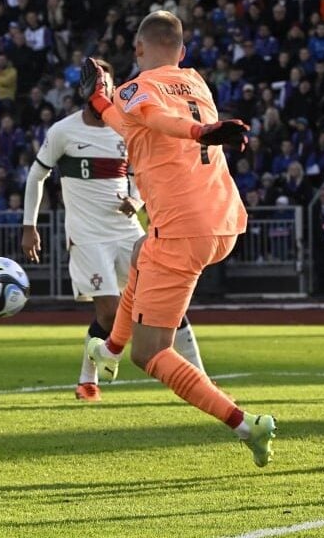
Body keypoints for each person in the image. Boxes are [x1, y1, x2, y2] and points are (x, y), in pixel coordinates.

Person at [80, 10, 276, 467]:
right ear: (182, 52)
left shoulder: (137, 90)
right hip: (223, 217)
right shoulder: (196, 82)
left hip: (183, 228)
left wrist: (198, 131)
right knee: (139, 250)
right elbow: (139, 123)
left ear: (137, 49)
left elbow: (153, 117)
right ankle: (107, 350)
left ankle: (246, 424)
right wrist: (103, 103)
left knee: (149, 354)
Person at [22, 60, 208, 402]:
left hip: (127, 231)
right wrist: (29, 226)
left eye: (108, 84)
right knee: (108, 313)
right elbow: (36, 177)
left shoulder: (124, 129)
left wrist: (136, 201)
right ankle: (87, 380)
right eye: (99, 84)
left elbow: (141, 174)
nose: (105, 90)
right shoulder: (64, 131)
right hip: (87, 236)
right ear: (86, 89)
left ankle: (201, 376)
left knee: (169, 304)